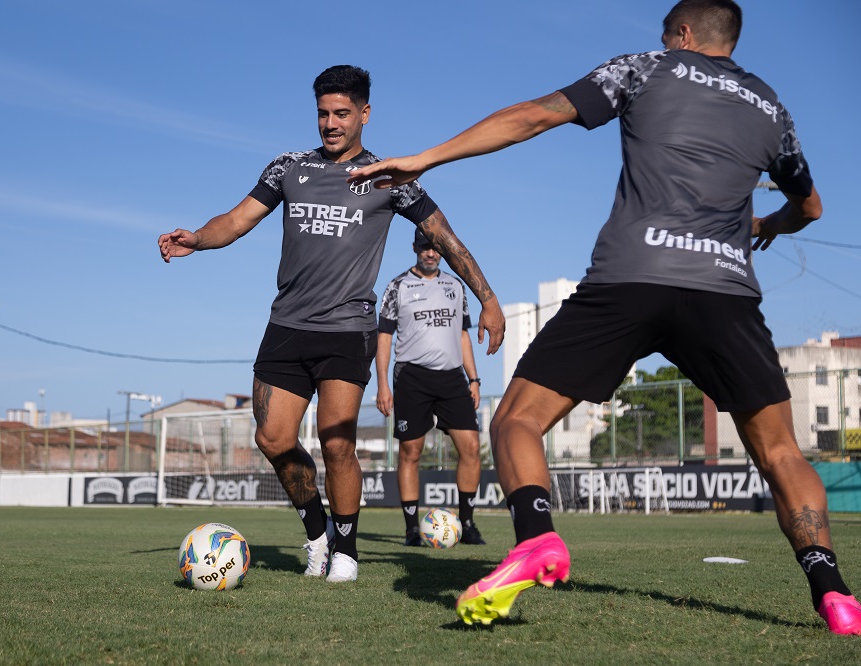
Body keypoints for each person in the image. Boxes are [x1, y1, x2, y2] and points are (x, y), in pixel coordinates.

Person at [347, 0, 861, 633]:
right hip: (725, 291)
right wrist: (763, 225)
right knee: (781, 450)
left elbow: (535, 115)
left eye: (668, 38)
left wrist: (427, 157)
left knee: (517, 420)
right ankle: (834, 593)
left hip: (630, 279)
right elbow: (810, 207)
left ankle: (537, 537)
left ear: (682, 34)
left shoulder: (646, 68)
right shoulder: (771, 107)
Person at [159, 65, 504, 584]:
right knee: (272, 438)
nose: (330, 123)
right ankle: (318, 534)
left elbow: (446, 238)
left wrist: (488, 298)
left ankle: (346, 549)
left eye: (342, 113)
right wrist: (198, 239)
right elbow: (235, 220)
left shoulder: (389, 177)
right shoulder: (288, 167)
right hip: (287, 324)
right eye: (323, 113)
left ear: (365, 114)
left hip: (348, 328)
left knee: (336, 442)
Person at [376, 228, 487, 547]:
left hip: (452, 377)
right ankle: (412, 529)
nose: (430, 253)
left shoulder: (456, 286)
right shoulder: (397, 286)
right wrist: (382, 383)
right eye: (425, 247)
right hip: (411, 377)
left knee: (470, 447)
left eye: (436, 248)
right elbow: (384, 338)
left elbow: (463, 336)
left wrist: (474, 378)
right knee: (411, 451)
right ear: (414, 247)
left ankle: (467, 523)